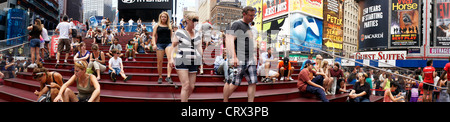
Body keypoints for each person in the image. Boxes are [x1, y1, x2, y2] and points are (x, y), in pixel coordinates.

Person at [223, 6, 258, 102]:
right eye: (250, 15)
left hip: (250, 58)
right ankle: (225, 100)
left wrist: (254, 55)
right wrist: (233, 57)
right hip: (240, 57)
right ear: (244, 14)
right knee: (234, 84)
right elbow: (229, 40)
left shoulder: (249, 27)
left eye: (253, 15)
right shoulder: (237, 24)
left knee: (253, 82)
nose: (252, 17)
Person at [168, 13, 202, 102]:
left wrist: (201, 59)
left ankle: (184, 100)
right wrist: (171, 59)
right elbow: (173, 47)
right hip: (181, 59)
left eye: (197, 21)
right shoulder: (179, 32)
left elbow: (199, 47)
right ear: (187, 21)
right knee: (186, 85)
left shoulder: (198, 34)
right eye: (194, 20)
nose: (196, 22)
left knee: (191, 87)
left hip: (194, 60)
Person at [152, 11, 174, 84]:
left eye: (165, 17)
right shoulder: (157, 26)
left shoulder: (170, 26)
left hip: (168, 44)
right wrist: (154, 44)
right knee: (160, 61)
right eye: (162, 17)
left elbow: (172, 36)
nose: (163, 18)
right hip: (159, 44)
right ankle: (160, 77)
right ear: (160, 18)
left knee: (170, 59)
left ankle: (168, 76)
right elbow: (153, 36)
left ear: (167, 18)